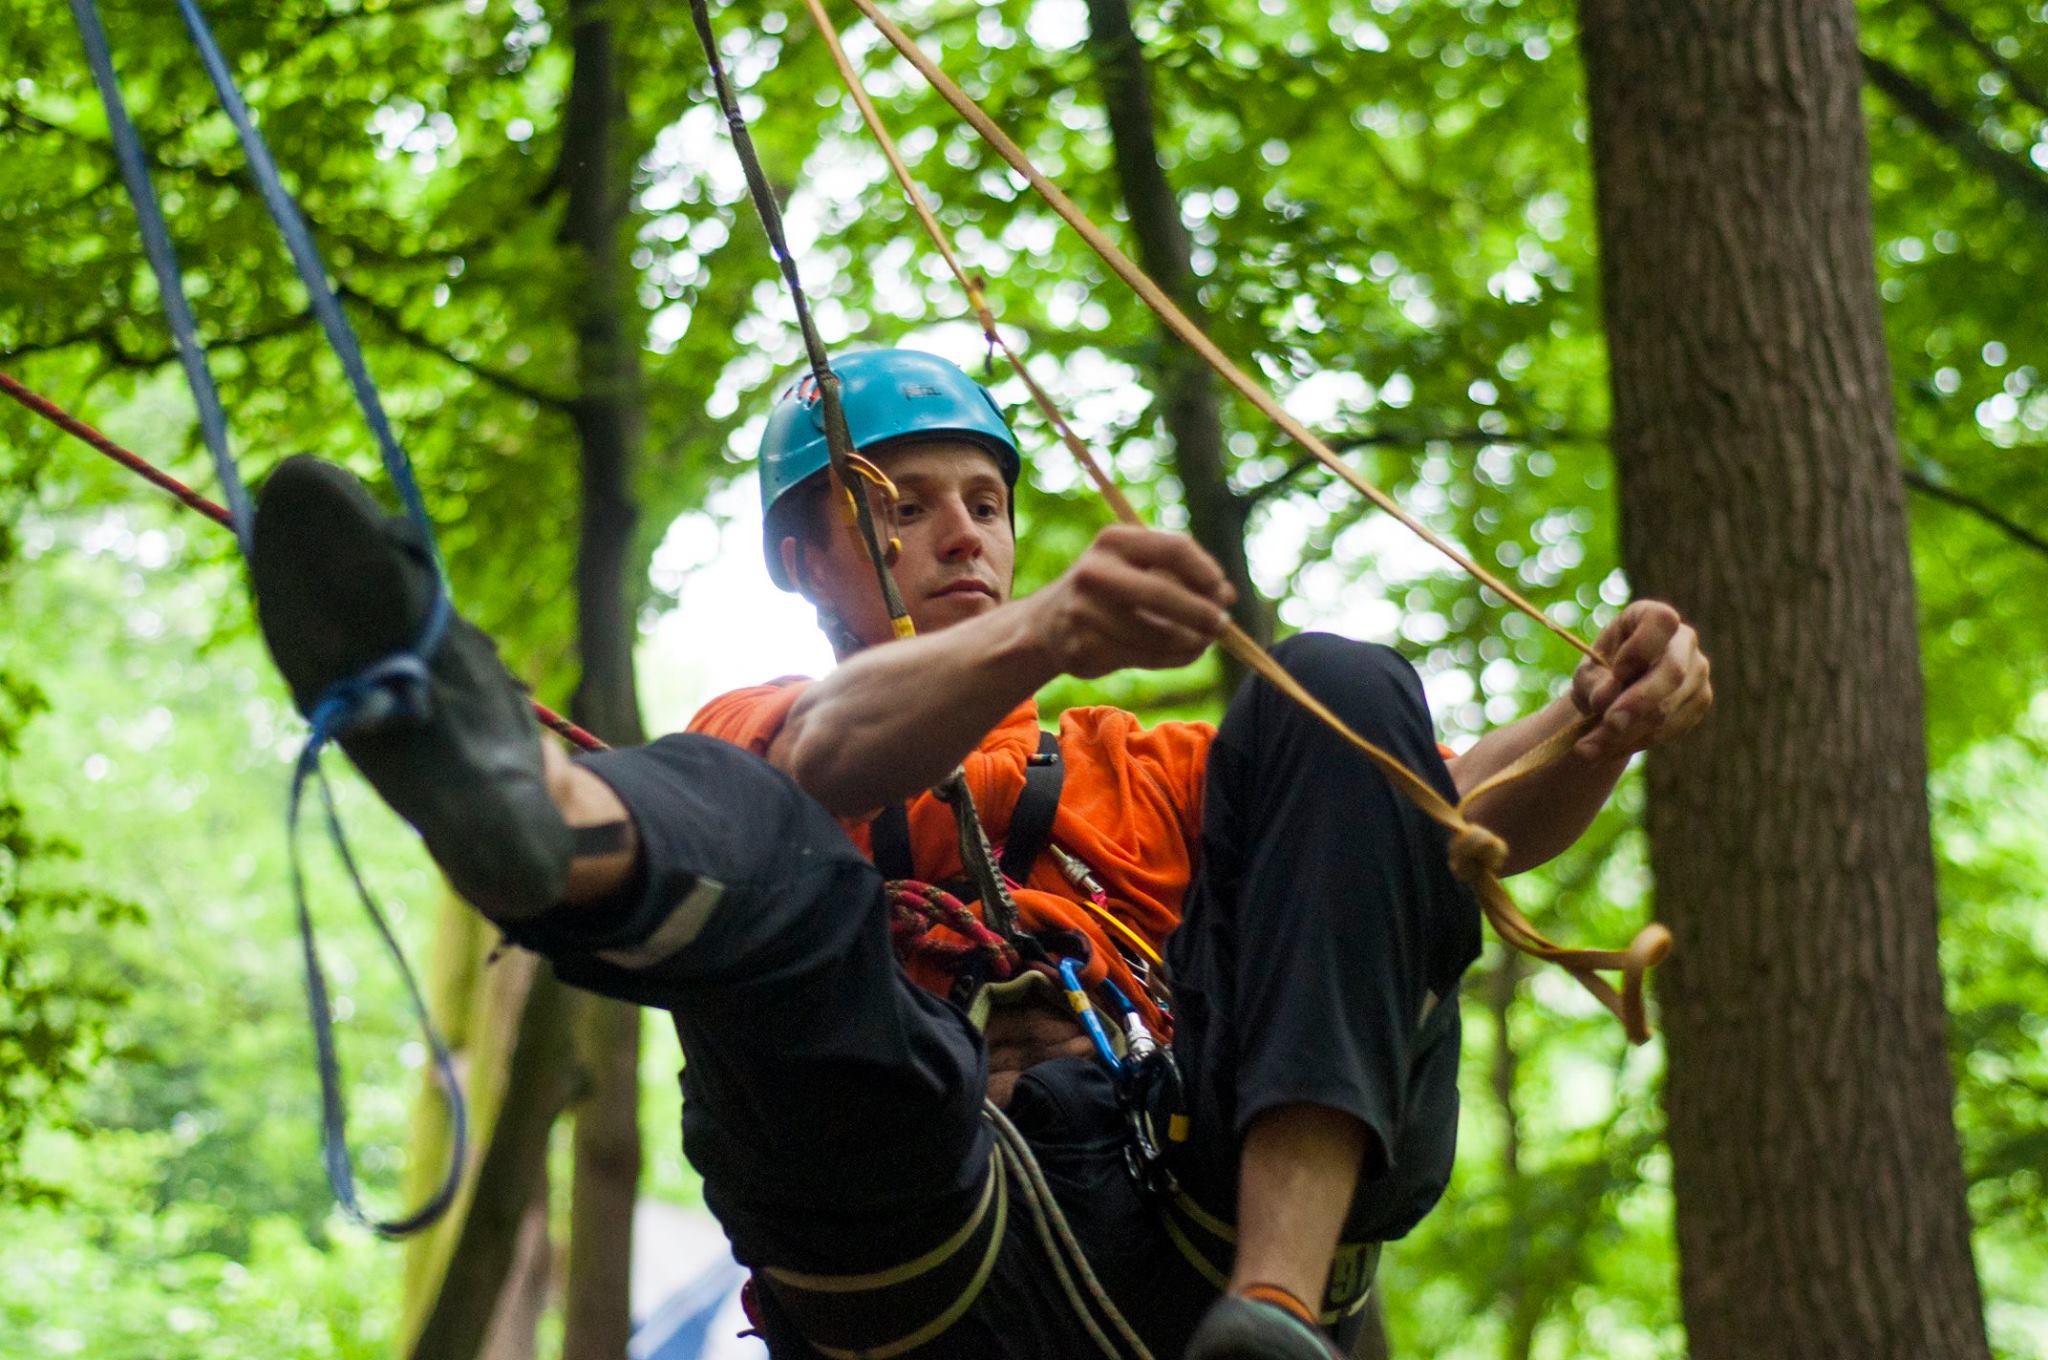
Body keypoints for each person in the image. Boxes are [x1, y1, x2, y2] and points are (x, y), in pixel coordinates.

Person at [248, 349, 1710, 1360]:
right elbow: (822, 761)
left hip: (1196, 1212)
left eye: (987, 503)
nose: (961, 532)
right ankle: (539, 819)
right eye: (900, 504)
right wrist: (1048, 634)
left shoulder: (1145, 769)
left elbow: (1425, 824)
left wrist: (1596, 725)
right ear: (802, 557)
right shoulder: (765, 722)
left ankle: (1276, 1301)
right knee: (762, 844)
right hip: (914, 1227)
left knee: (1341, 689)